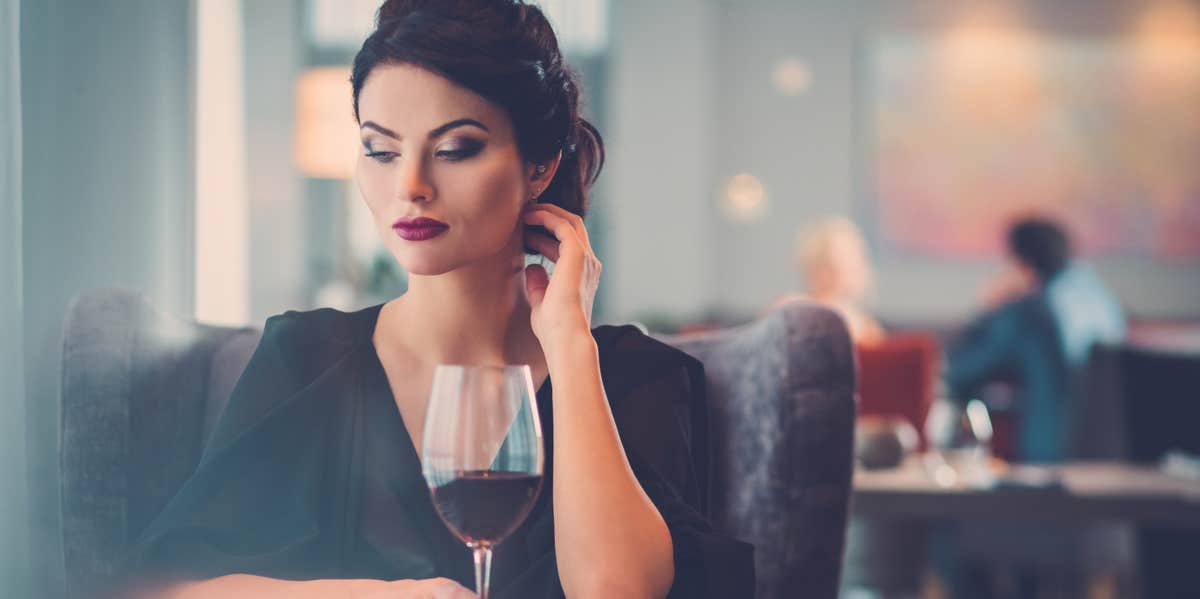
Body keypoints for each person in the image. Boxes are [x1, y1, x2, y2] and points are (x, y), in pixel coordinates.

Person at [116, 2, 753, 597]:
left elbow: (617, 591)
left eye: (454, 149)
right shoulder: (308, 358)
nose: (411, 186)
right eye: (380, 150)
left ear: (539, 163)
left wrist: (568, 343)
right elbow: (165, 586)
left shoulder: (634, 376)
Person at [945, 217, 1125, 462]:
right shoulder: (1099, 301)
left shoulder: (1027, 314)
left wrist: (987, 310)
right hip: (1113, 455)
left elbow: (959, 371)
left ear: (1024, 266)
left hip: (1046, 457)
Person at [771, 216, 885, 344]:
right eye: (844, 258)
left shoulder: (865, 326)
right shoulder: (789, 309)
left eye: (853, 258)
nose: (853, 267)